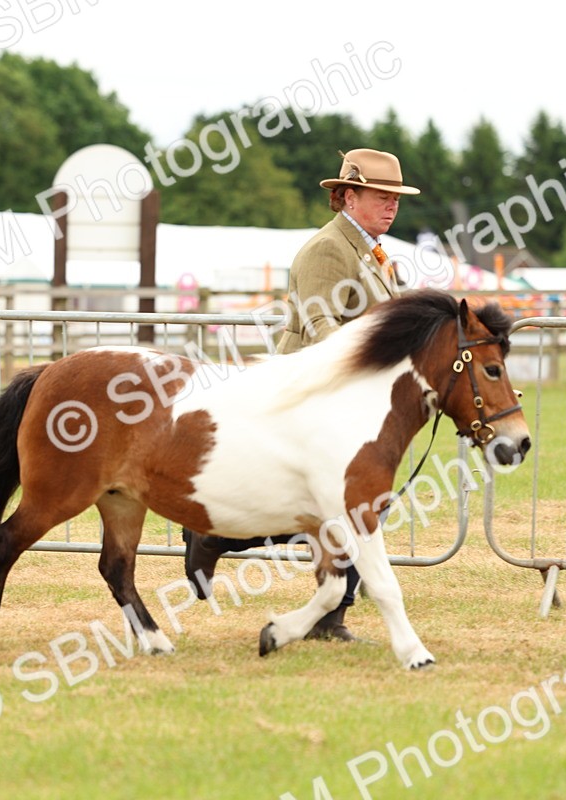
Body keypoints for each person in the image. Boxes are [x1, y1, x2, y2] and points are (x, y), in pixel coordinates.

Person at [182, 148, 421, 642]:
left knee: (356, 507)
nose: (391, 206)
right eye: (381, 196)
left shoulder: (375, 253)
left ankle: (329, 614)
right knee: (352, 506)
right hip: (315, 396)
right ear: (348, 196)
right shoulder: (327, 250)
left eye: (395, 197)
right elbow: (319, 327)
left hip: (350, 403)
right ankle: (217, 534)